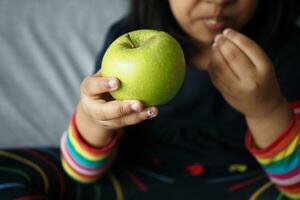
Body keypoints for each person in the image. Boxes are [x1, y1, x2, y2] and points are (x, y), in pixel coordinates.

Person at [1, 0, 300, 199]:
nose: (217, 1)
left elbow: (295, 185)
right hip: (134, 178)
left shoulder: (285, 50)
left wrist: (265, 108)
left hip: (238, 183)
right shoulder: (126, 37)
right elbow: (82, 172)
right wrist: (93, 117)